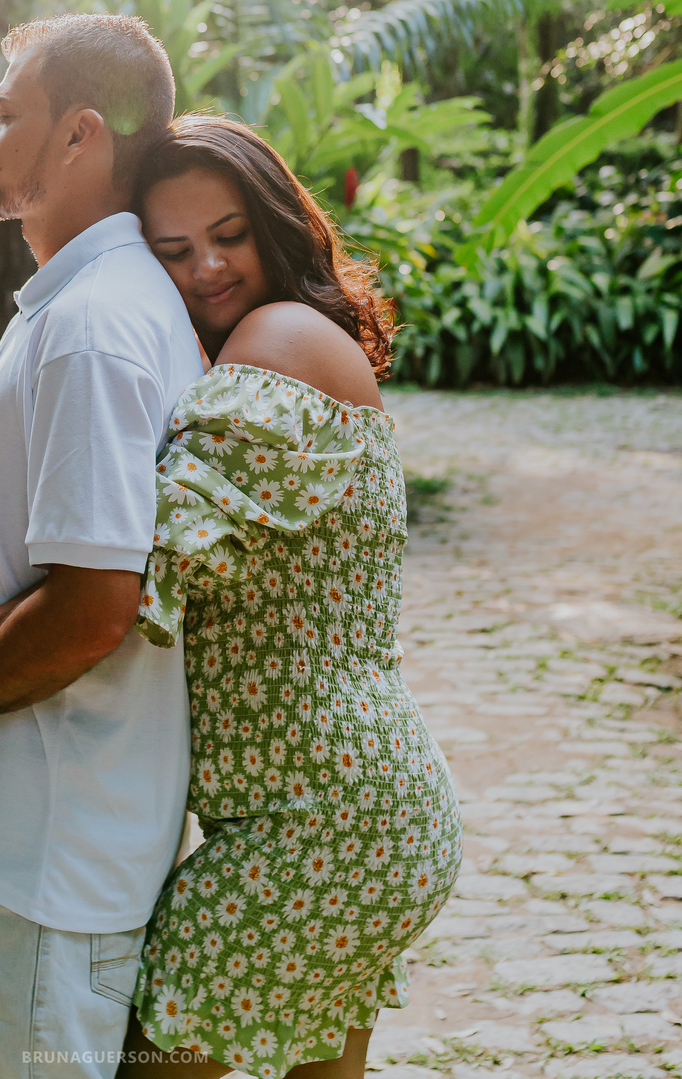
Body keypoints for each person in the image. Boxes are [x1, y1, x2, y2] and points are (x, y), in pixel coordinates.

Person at [0, 15, 204, 1076]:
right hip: (64, 825)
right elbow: (71, 571)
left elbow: (95, 605)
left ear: (80, 138)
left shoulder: (96, 323)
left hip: (66, 845)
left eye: (6, 112)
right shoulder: (82, 303)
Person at [115, 114, 464, 1077]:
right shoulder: (271, 345)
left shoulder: (276, 341)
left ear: (276, 225)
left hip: (320, 827)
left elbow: (140, 563)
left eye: (229, 236)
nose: (208, 270)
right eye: (173, 251)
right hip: (360, 813)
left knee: (138, 1067)